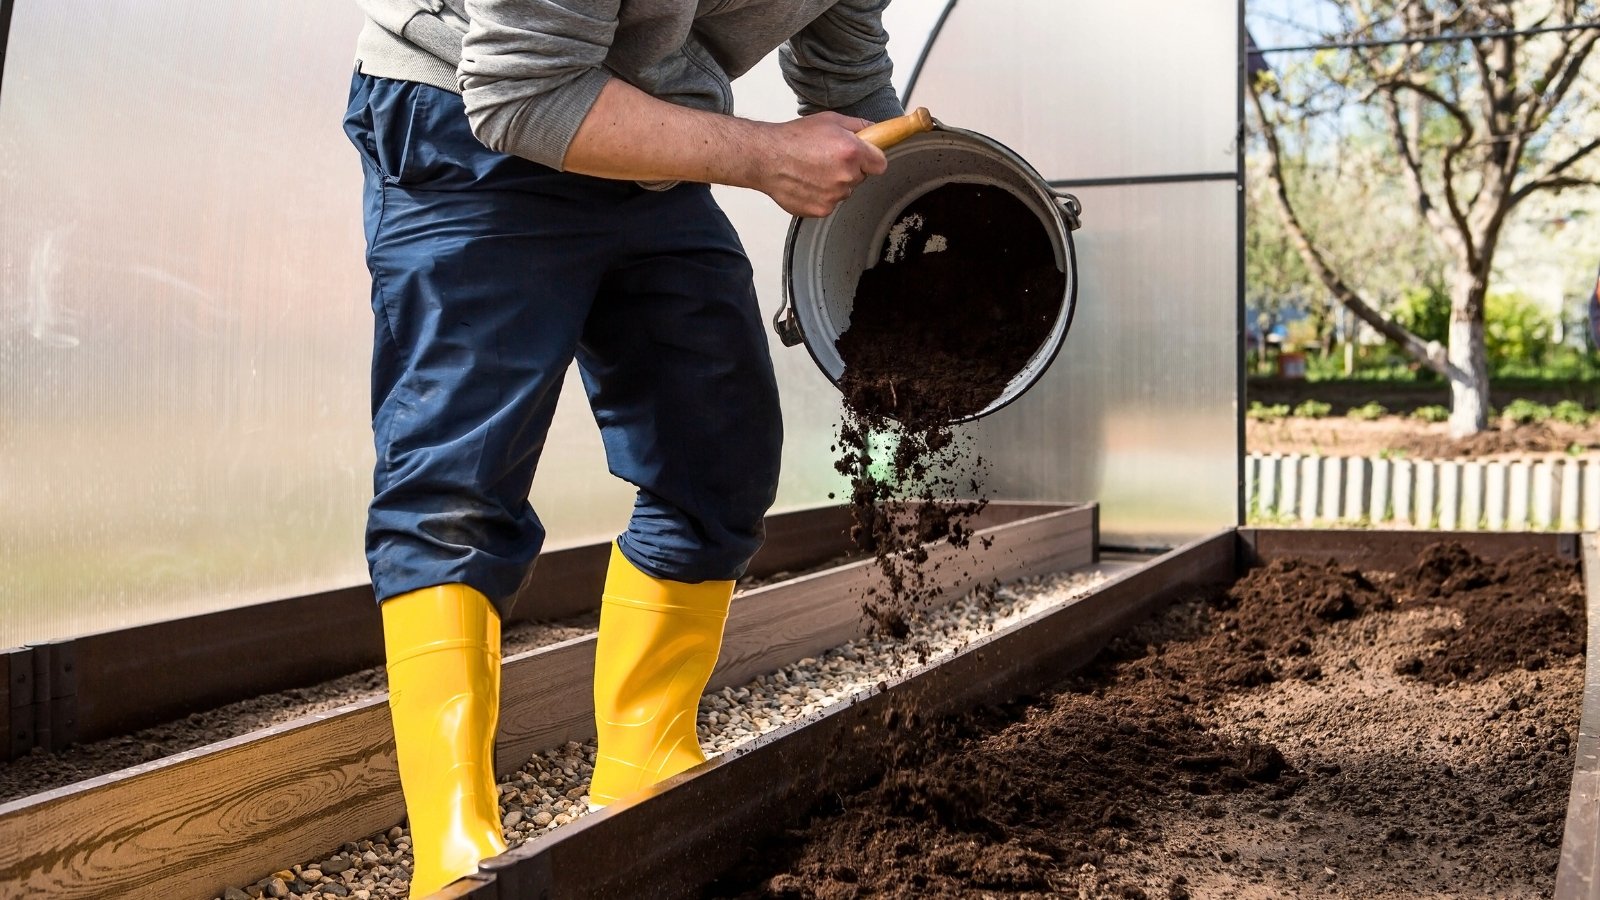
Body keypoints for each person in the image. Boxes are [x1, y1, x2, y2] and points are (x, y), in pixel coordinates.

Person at [343, 1, 898, 894]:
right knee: (458, 485)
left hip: (646, 132)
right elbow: (521, 92)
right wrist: (758, 154)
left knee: (718, 451)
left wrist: (909, 183)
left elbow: (849, 80)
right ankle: (456, 854)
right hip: (471, 117)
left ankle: (647, 770)